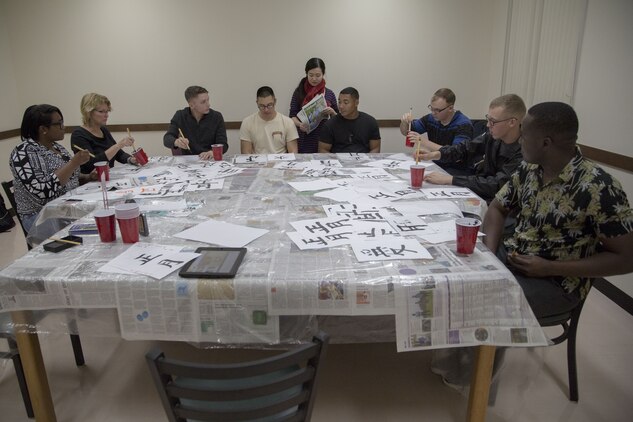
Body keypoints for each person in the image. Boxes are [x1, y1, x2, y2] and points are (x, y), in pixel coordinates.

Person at [483, 102, 633, 319]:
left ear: (545, 143)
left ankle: (483, 351)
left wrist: (550, 267)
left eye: (524, 135)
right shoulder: (529, 168)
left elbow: (626, 259)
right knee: (462, 277)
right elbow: (497, 208)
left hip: (555, 283)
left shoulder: (599, 186)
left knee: (479, 302)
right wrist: (489, 256)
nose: (519, 140)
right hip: (513, 257)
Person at [411, 94, 525, 203]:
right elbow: (465, 148)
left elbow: (496, 185)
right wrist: (436, 154)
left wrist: (450, 179)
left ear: (512, 122)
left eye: (493, 121)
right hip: (481, 193)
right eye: (488, 119)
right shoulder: (492, 136)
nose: (487, 125)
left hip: (501, 205)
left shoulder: (525, 151)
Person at [10, 105, 91, 232]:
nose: (63, 127)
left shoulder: (57, 147)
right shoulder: (24, 152)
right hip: (41, 215)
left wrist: (88, 177)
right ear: (43, 129)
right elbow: (43, 191)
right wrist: (73, 163)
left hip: (66, 208)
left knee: (104, 216)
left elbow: (71, 176)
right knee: (91, 231)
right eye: (59, 124)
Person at [401, 88, 474, 174]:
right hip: (437, 165)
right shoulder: (431, 118)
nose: (433, 113)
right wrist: (404, 122)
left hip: (457, 171)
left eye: (437, 110)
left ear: (450, 108)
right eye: (431, 108)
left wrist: (424, 142)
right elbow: (406, 132)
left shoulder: (463, 124)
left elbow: (456, 154)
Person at [71, 93, 136, 174]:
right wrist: (119, 145)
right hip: (91, 181)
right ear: (88, 112)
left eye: (107, 111)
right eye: (101, 111)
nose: (106, 115)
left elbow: (118, 154)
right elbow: (92, 164)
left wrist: (131, 159)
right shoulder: (78, 135)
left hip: (108, 176)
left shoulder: (103, 130)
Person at [163, 86, 228, 159]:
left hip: (210, 160)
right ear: (191, 105)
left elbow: (224, 144)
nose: (208, 104)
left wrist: (212, 152)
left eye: (208, 100)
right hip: (189, 162)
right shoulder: (180, 116)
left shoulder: (216, 117)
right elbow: (167, 139)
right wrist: (176, 142)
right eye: (203, 102)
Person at [289, 58, 338, 153]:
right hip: (303, 137)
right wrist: (299, 124)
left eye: (318, 75)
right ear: (306, 73)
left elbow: (338, 119)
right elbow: (292, 115)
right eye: (310, 75)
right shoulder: (299, 92)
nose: (314, 79)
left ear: (323, 74)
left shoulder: (329, 93)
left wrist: (332, 112)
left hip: (324, 139)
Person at [318, 87, 381, 154]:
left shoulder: (370, 122)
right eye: (339, 102)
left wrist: (366, 162)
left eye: (346, 102)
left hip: (363, 161)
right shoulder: (330, 124)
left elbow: (375, 148)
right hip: (338, 162)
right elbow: (323, 150)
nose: (341, 106)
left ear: (356, 103)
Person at [240, 86, 299, 154]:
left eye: (269, 105)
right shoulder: (247, 122)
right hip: (256, 163)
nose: (266, 110)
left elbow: (293, 153)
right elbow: (246, 153)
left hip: (281, 162)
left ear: (275, 101)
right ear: (257, 103)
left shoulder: (288, 122)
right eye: (262, 106)